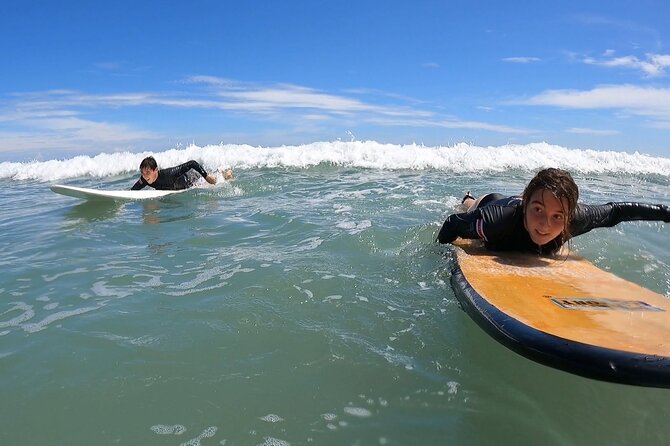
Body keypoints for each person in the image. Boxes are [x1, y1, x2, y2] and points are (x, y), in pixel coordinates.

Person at [437, 168, 670, 255]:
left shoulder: (575, 220)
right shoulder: (496, 221)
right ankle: (468, 197)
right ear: (527, 204)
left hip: (520, 204)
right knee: (472, 206)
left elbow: (617, 211)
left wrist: (666, 213)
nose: (545, 224)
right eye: (538, 210)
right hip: (493, 204)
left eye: (558, 216)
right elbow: (452, 224)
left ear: (568, 216)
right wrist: (442, 257)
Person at [131, 156, 227, 190]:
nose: (144, 175)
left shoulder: (170, 174)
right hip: (177, 187)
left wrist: (207, 177)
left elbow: (192, 163)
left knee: (217, 180)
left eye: (147, 172)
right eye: (142, 173)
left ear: (155, 170)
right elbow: (132, 191)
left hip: (193, 180)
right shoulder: (144, 179)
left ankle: (225, 173)